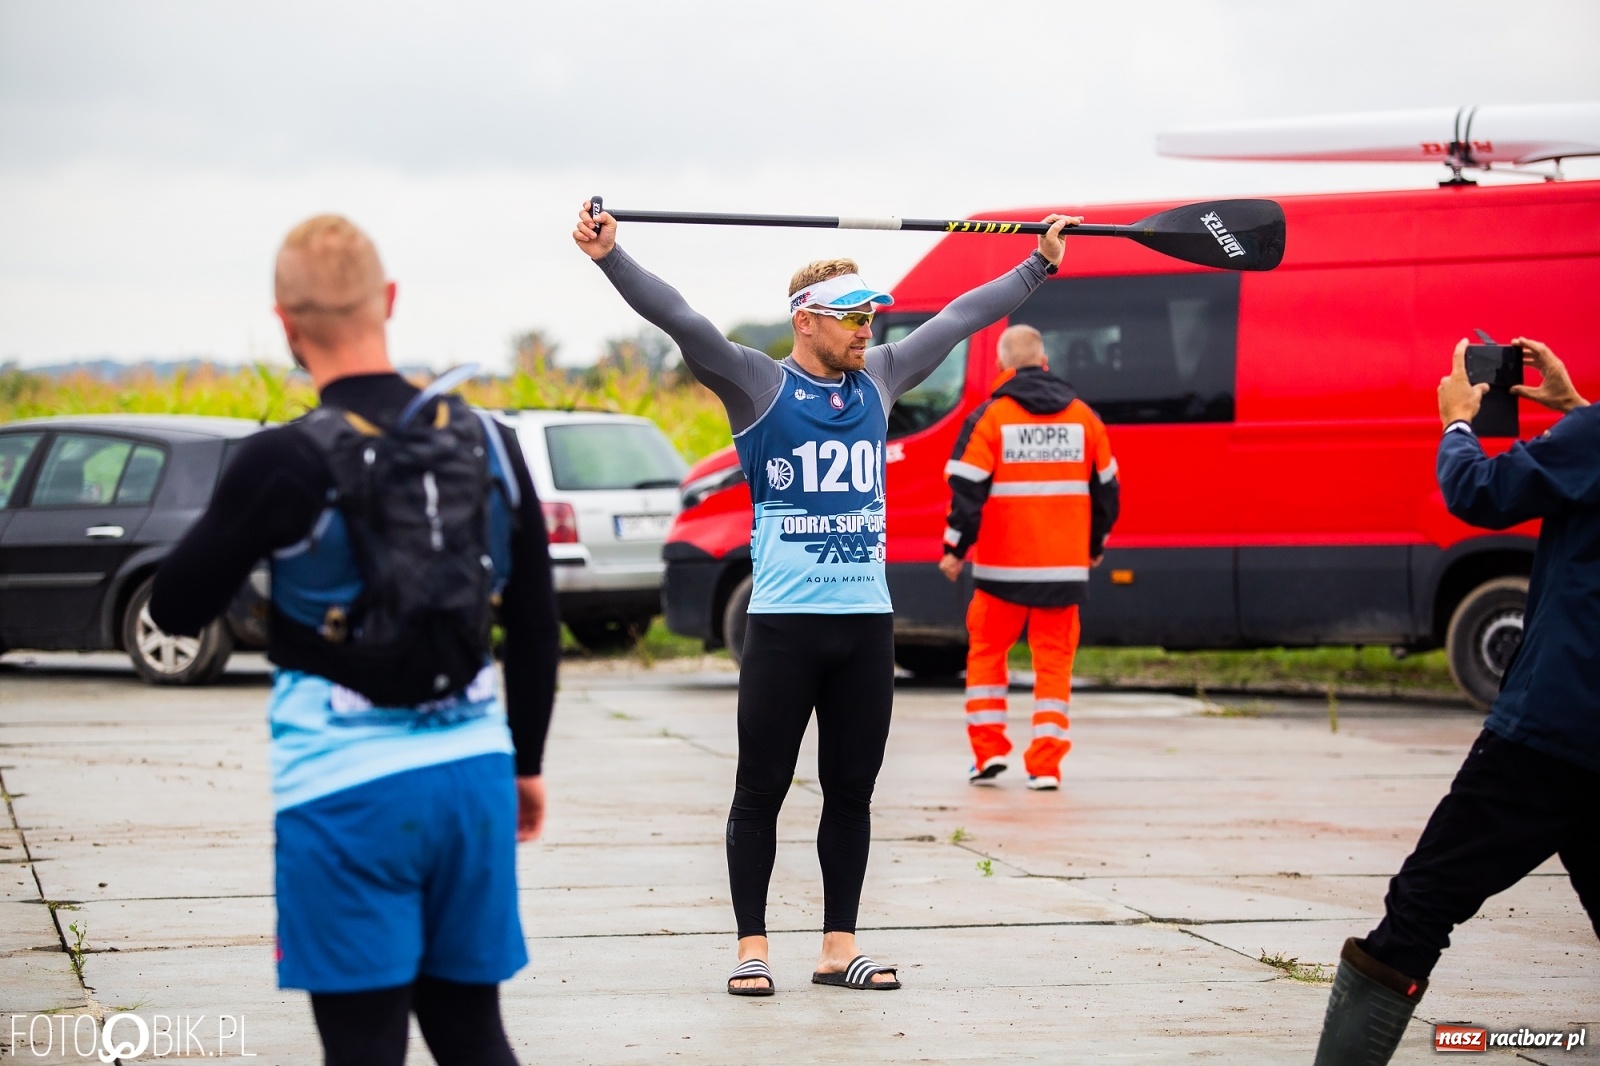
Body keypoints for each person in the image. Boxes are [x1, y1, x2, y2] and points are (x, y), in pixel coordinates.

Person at [573, 200, 1078, 995]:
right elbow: (680, 319)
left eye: (871, 315)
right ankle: (752, 948)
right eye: (852, 317)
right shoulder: (755, 384)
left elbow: (958, 317)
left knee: (851, 793)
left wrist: (1038, 262)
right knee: (760, 793)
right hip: (782, 631)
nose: (867, 329)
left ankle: (838, 948)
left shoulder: (879, 378)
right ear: (806, 321)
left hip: (864, 631)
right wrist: (611, 257)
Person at [150, 215, 561, 1066]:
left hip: (345, 793)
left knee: (364, 1049)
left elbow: (178, 607)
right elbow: (533, 625)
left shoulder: (281, 461)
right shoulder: (491, 441)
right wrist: (525, 763)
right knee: (472, 1033)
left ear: (285, 325)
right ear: (391, 302)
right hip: (473, 778)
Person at [1312, 337, 1600, 1065]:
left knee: (1424, 901)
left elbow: (1481, 493)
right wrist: (1574, 413)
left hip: (1552, 728)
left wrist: (1457, 424)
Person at [938, 324, 1119, 790]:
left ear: (1002, 366)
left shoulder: (991, 419)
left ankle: (988, 753)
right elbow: (1107, 494)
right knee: (1054, 665)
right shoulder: (1085, 419)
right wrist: (1094, 546)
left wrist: (955, 549)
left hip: (1001, 571)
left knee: (986, 657)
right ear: (1045, 362)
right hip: (1063, 571)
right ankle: (1046, 766)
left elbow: (966, 493)